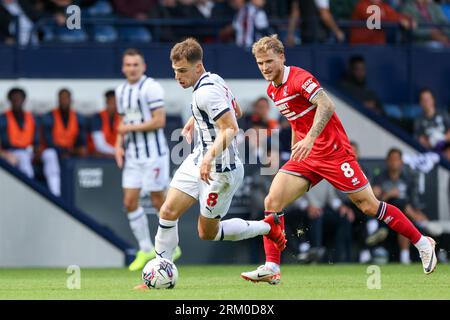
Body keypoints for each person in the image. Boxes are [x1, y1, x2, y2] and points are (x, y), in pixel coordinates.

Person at [240, 35, 437, 285]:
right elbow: (295, 120)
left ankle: (422, 242)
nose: (265, 67)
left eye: (269, 61)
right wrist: (294, 150)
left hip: (334, 153)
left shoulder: (300, 78)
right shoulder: (272, 89)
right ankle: (272, 266)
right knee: (273, 199)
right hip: (307, 157)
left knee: (369, 206)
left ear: (282, 57)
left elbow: (327, 105)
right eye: (260, 63)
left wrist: (310, 138)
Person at [135, 37, 286, 290]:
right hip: (198, 160)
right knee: (167, 211)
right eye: (175, 72)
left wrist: (208, 157)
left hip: (220, 170)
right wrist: (199, 119)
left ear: (198, 67)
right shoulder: (213, 79)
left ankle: (267, 226)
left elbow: (231, 127)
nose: (178, 77)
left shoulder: (207, 91)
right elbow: (235, 109)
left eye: (183, 71)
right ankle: (159, 272)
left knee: (207, 233)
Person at [114, 48, 180, 272]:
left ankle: (172, 246)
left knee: (157, 201)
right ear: (123, 68)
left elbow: (158, 121)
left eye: (135, 64)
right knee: (129, 202)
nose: (132, 68)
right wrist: (117, 146)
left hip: (154, 155)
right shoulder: (121, 90)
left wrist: (128, 128)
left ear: (143, 67)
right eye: (128, 65)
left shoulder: (151, 87)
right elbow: (123, 121)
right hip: (133, 155)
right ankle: (145, 249)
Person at [372, 148, 430, 264]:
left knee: (403, 211)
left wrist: (418, 213)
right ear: (387, 161)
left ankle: (405, 255)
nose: (394, 162)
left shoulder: (408, 179)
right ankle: (404, 255)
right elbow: (374, 202)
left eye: (397, 159)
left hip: (404, 214)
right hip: (384, 218)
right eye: (392, 159)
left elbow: (414, 200)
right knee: (398, 204)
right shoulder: (379, 178)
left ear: (401, 162)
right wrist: (388, 195)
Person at [41, 88, 87, 196]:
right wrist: (64, 151)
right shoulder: (49, 116)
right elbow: (48, 141)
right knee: (50, 155)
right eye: (62, 98)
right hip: (53, 151)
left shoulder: (78, 117)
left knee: (83, 153)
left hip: (70, 151)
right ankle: (55, 193)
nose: (64, 101)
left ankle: (79, 194)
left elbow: (81, 139)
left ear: (71, 100)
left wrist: (75, 149)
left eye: (66, 98)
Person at [0, 87, 38, 178]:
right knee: (22, 160)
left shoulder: (31, 117)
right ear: (10, 100)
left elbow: (37, 140)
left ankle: (55, 191)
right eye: (14, 98)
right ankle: (29, 183)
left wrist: (37, 152)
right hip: (11, 151)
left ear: (24, 100)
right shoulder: (3, 118)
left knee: (50, 155)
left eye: (19, 98)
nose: (17, 101)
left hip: (30, 151)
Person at [414, 88, 450, 152]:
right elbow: (419, 139)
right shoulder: (419, 119)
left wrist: (442, 139)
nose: (426, 102)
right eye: (424, 100)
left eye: (428, 99)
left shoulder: (443, 113)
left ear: (433, 100)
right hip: (430, 151)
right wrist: (431, 143)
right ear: (420, 103)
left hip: (447, 149)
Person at [88, 90, 119, 157]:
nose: (114, 106)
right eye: (112, 102)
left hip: (116, 154)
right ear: (107, 102)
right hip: (101, 155)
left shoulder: (121, 118)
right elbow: (99, 145)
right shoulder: (97, 117)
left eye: (116, 102)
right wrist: (116, 152)